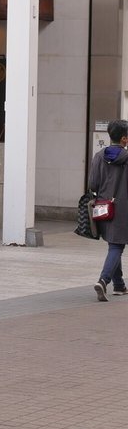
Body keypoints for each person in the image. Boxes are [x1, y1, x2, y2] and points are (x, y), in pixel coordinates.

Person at [89, 119, 128, 302]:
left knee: (114, 242)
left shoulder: (98, 156)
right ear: (124, 139)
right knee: (116, 245)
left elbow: (93, 184)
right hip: (123, 208)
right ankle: (103, 281)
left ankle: (119, 285)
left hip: (104, 207)